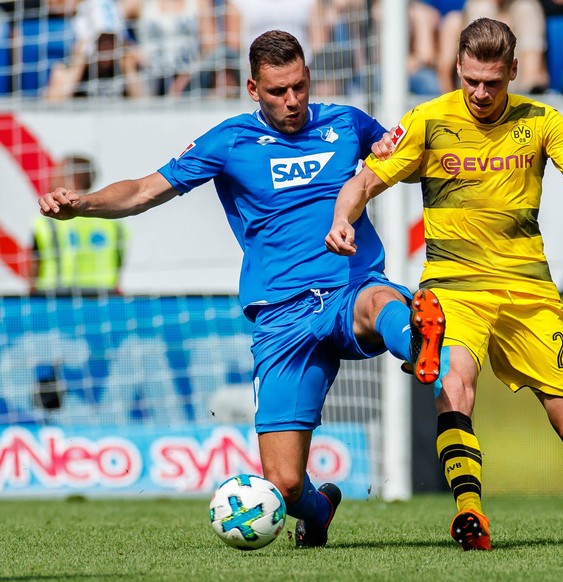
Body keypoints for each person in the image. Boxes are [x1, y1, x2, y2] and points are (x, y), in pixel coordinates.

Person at [36, 30, 446, 549]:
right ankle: (317, 514)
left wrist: (397, 147)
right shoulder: (228, 142)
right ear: (253, 88)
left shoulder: (347, 123)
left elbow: (403, 164)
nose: (292, 100)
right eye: (278, 91)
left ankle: (420, 343)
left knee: (381, 301)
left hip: (348, 284)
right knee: (286, 484)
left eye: (299, 86)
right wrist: (83, 203)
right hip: (281, 315)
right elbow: (144, 190)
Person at [326, 18, 563, 550]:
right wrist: (342, 216)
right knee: (452, 383)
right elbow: (368, 178)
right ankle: (470, 515)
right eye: (471, 81)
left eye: (493, 81)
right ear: (457, 69)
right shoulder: (426, 120)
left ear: (514, 71)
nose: (481, 93)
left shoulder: (542, 121)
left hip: (527, 290)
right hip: (453, 285)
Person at [31, 155, 128, 295]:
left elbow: (34, 266)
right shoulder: (113, 225)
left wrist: (32, 295)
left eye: (57, 174)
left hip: (57, 300)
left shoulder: (49, 220)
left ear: (71, 179)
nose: (52, 178)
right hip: (105, 299)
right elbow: (119, 263)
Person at [43, 0, 144, 100]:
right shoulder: (65, 67)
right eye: (100, 40)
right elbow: (53, 103)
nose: (106, 47)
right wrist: (78, 67)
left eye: (111, 39)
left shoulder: (126, 65)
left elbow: (145, 106)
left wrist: (129, 70)